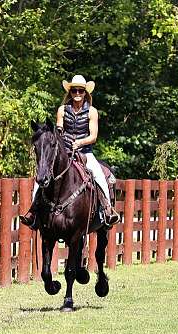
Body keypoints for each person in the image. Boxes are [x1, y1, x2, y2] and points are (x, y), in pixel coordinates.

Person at [21, 74, 120, 230]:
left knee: (100, 176)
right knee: (41, 177)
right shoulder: (62, 110)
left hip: (85, 152)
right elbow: (60, 128)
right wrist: (57, 135)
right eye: (74, 91)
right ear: (70, 92)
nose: (77, 94)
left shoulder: (92, 111)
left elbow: (93, 136)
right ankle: (32, 212)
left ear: (85, 92)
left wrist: (79, 142)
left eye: (80, 91)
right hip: (66, 152)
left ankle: (107, 210)